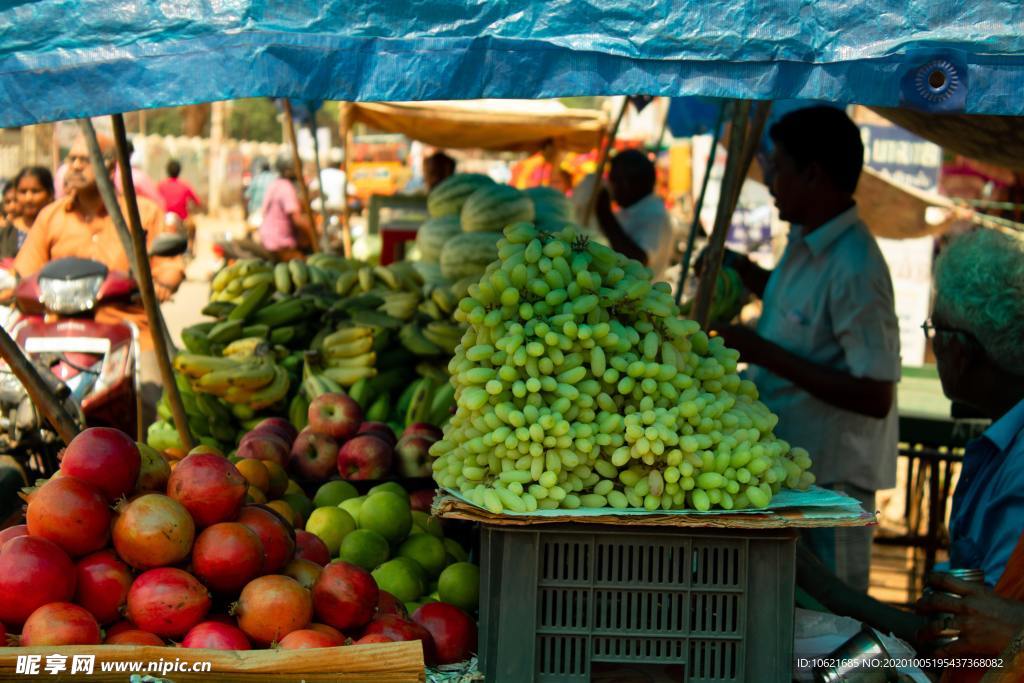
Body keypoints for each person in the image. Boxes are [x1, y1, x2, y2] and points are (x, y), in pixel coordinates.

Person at [709, 106, 900, 593]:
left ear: (812, 174)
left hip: (832, 484)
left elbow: (875, 393)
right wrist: (744, 272)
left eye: (778, 170)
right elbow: (804, 310)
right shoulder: (806, 240)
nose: (770, 183)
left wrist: (762, 351)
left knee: (835, 616)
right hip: (795, 468)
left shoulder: (856, 265)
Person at [14, 133, 185, 421]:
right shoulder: (51, 216)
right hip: (59, 335)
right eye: (72, 160)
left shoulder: (142, 213)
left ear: (110, 168)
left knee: (154, 403)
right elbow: (26, 272)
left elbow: (168, 265)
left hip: (129, 330)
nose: (76, 167)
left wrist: (164, 282)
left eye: (86, 159)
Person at [594, 149, 675, 281]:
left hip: (642, 297)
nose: (611, 187)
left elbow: (638, 260)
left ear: (627, 184)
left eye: (613, 181)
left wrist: (605, 215)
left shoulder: (654, 215)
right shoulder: (630, 211)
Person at [258, 155, 312, 260]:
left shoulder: (275, 184)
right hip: (280, 244)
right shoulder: (286, 188)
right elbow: (297, 219)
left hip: (266, 239)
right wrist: (312, 231)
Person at [12, 166, 55, 235]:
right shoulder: (5, 234)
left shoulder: (60, 230)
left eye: (35, 191)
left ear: (50, 194)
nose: (28, 198)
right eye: (23, 192)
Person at [244, 157, 274, 227]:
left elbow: (247, 196)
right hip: (269, 212)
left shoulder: (256, 179)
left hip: (255, 210)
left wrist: (246, 212)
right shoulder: (274, 179)